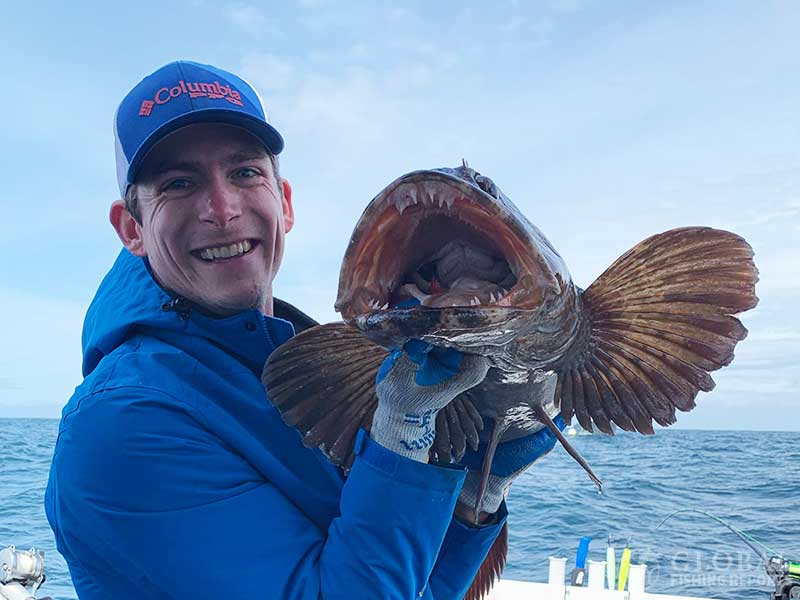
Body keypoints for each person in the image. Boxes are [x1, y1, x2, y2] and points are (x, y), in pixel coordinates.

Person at [45, 60, 561, 599]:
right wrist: (402, 431)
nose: (222, 209)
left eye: (245, 172)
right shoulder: (120, 426)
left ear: (284, 202)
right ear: (132, 229)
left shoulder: (301, 367)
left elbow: (409, 587)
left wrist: (477, 496)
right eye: (179, 183)